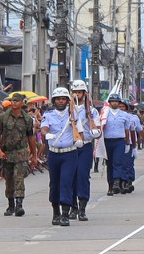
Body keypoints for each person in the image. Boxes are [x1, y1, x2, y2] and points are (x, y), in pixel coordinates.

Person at [41, 87, 82, 226]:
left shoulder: (73, 114)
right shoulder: (49, 114)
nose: (60, 101)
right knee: (54, 183)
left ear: (67, 100)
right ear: (54, 100)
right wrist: (46, 134)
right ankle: (55, 212)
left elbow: (79, 130)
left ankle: (65, 213)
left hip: (69, 153)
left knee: (66, 182)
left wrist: (80, 139)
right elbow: (44, 127)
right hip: (54, 153)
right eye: (58, 99)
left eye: (63, 99)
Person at [0, 92, 39, 217]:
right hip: (7, 152)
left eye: (17, 101)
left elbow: (31, 137)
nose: (14, 103)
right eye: (13, 101)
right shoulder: (3, 117)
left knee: (19, 178)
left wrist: (34, 155)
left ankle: (19, 205)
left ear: (22, 103)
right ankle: (10, 204)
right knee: (8, 179)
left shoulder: (27, 119)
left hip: (21, 152)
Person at [70, 80, 99, 220]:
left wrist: (95, 132)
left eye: (79, 92)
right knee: (70, 177)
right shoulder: (67, 111)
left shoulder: (92, 111)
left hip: (86, 146)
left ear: (84, 94)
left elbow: (97, 128)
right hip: (71, 147)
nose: (77, 94)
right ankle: (72, 206)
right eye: (75, 92)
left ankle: (82, 207)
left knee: (82, 175)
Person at [101, 94, 132, 195]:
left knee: (117, 162)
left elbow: (127, 130)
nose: (114, 103)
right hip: (107, 141)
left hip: (119, 141)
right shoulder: (104, 114)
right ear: (109, 103)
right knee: (109, 164)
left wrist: (127, 143)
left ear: (119, 103)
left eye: (116, 101)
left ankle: (116, 182)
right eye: (112, 101)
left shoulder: (124, 115)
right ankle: (110, 186)